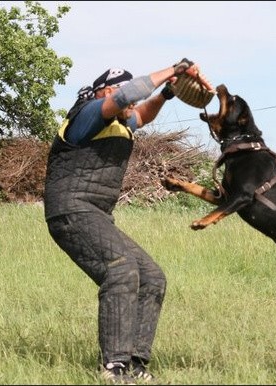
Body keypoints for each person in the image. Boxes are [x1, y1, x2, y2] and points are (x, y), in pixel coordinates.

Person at [44, 58, 198, 384]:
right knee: (120, 269)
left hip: (96, 215)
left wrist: (169, 92)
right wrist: (174, 69)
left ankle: (136, 364)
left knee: (152, 277)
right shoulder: (87, 115)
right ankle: (113, 369)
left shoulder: (121, 123)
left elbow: (142, 112)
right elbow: (128, 99)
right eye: (119, 92)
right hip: (71, 211)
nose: (131, 101)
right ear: (105, 93)